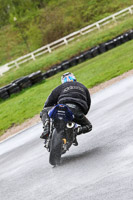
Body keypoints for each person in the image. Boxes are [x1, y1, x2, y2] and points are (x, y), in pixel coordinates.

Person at [40, 72, 92, 146]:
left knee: (44, 111)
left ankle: (46, 128)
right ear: (74, 79)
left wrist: (48, 109)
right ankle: (74, 132)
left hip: (61, 107)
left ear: (63, 81)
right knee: (88, 126)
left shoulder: (60, 87)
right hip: (76, 111)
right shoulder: (83, 87)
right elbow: (88, 104)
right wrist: (81, 114)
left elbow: (48, 103)